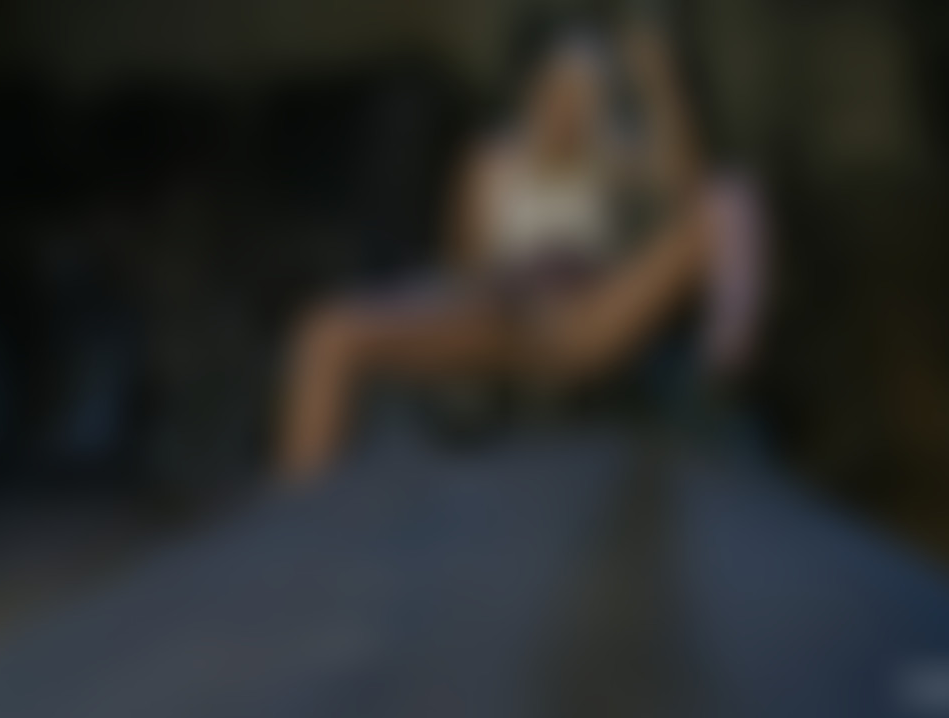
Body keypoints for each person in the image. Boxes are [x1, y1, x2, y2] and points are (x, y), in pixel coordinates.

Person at [276, 20, 753, 483]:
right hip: (506, 319)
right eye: (555, 90)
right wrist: (481, 309)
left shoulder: (607, 161)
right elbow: (464, 269)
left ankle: (716, 376)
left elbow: (685, 197)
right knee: (327, 332)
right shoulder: (491, 161)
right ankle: (301, 516)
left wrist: (659, 84)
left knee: (726, 206)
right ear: (531, 93)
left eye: (582, 96)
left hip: (584, 316)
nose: (566, 108)